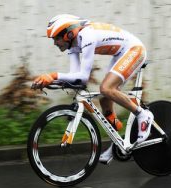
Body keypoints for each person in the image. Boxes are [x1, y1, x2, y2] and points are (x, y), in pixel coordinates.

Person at [32, 14, 154, 165]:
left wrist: (53, 75)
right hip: (121, 53)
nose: (55, 43)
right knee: (105, 101)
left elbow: (83, 77)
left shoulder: (87, 35)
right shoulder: (73, 44)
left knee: (106, 89)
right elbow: (75, 77)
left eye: (57, 38)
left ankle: (143, 115)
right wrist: (50, 81)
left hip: (134, 50)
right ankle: (119, 143)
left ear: (69, 33)